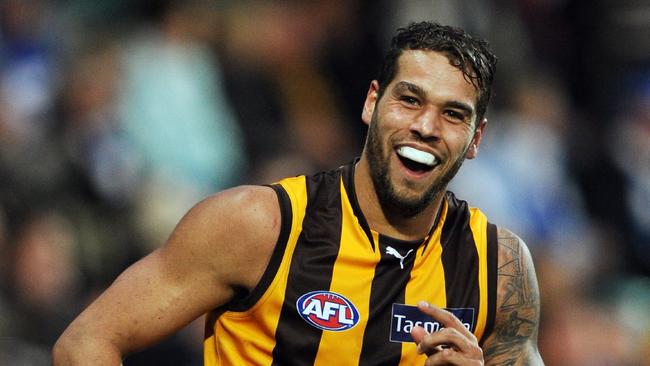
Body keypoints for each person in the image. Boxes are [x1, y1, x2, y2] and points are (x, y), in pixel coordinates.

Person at [53, 21, 543, 365]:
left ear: (476, 139)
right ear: (373, 103)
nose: (426, 127)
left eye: (454, 114)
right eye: (409, 100)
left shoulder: (499, 268)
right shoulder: (257, 226)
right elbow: (87, 342)